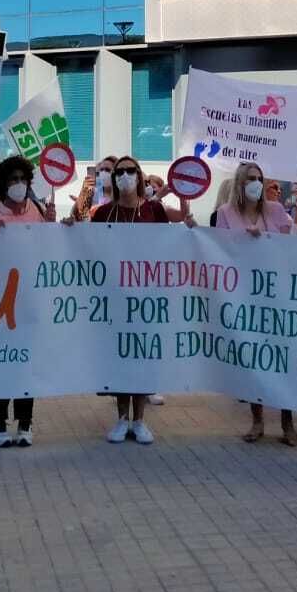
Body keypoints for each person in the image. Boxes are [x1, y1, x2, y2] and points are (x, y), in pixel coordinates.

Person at [92, 155, 193, 443]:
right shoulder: (103, 213)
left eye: (131, 171)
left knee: (143, 356)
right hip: (115, 297)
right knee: (121, 357)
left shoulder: (154, 209)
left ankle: (140, 420)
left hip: (148, 298)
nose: (125, 176)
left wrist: (188, 207)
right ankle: (122, 418)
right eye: (120, 171)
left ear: (139, 175)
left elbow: (183, 228)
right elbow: (87, 247)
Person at [217, 162, 297, 445]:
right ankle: (257, 420)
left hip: (276, 292)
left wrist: (266, 239)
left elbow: (293, 243)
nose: (256, 183)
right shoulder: (225, 214)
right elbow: (220, 251)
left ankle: (288, 423)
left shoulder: (275, 210)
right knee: (253, 357)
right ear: (240, 183)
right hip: (244, 294)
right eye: (251, 178)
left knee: (281, 356)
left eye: (260, 178)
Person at [0, 155, 57, 446]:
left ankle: (25, 423)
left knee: (27, 363)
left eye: (22, 179)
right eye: (12, 180)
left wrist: (55, 227)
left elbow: (50, 248)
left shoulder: (39, 210)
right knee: (0, 363)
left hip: (29, 300)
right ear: (3, 184)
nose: (18, 184)